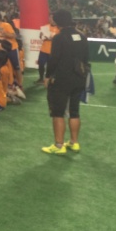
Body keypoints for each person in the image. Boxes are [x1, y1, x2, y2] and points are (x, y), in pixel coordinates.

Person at [42, 9, 89, 155]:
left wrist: (47, 76)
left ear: (58, 22)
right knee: (74, 111)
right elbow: (86, 59)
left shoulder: (59, 37)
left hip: (62, 79)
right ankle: (74, 143)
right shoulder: (82, 36)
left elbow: (54, 59)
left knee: (58, 112)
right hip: (79, 78)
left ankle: (59, 145)